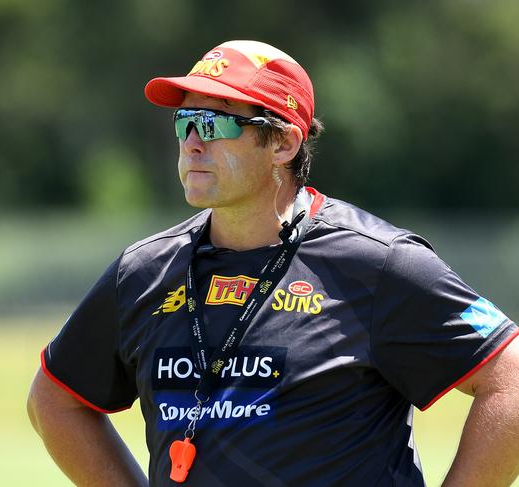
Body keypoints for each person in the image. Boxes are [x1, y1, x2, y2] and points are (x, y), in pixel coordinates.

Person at [27, 40, 519, 486]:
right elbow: (54, 400)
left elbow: (510, 383)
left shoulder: (378, 264)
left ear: (283, 143)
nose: (193, 143)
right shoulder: (144, 272)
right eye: (185, 122)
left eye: (215, 123)